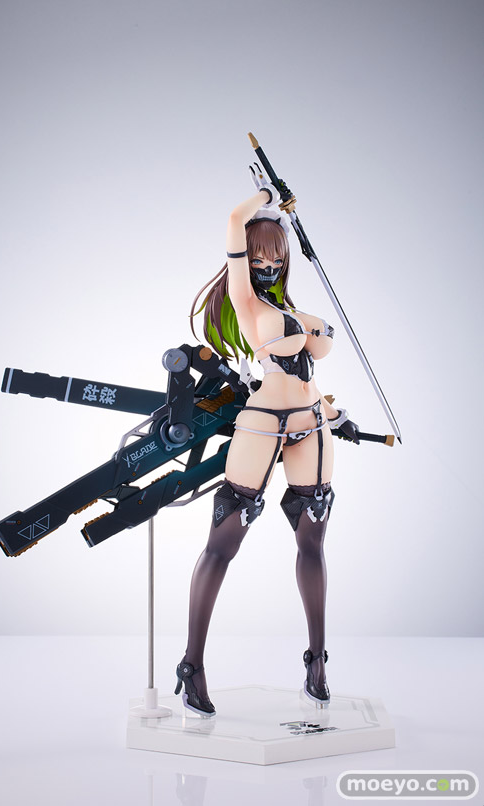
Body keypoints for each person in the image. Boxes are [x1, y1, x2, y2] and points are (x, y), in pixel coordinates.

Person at [174, 182, 359, 717]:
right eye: (257, 258)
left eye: (275, 258)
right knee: (223, 543)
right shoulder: (246, 300)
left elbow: (307, 374)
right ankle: (192, 665)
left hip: (312, 423)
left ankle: (317, 662)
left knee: (313, 542)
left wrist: (334, 415)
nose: (266, 265)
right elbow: (236, 219)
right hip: (262, 425)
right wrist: (266, 195)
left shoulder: (289, 307)